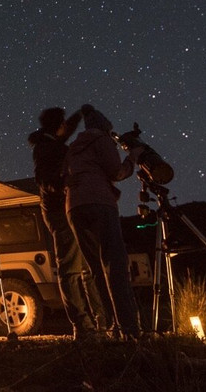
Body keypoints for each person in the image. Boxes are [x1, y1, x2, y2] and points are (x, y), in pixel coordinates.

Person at [28, 107, 111, 340]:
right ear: (58, 125)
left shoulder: (53, 142)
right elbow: (44, 180)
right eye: (65, 122)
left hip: (69, 208)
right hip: (58, 211)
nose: (69, 127)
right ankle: (82, 326)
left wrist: (80, 113)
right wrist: (65, 183)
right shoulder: (45, 147)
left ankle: (100, 321)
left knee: (86, 268)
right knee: (72, 269)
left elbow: (67, 130)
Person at [63, 104, 144, 339]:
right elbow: (116, 172)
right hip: (99, 203)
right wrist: (133, 158)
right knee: (115, 265)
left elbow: (65, 177)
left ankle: (113, 325)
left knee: (97, 269)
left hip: (74, 208)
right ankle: (130, 329)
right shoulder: (101, 139)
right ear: (103, 127)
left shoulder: (73, 148)